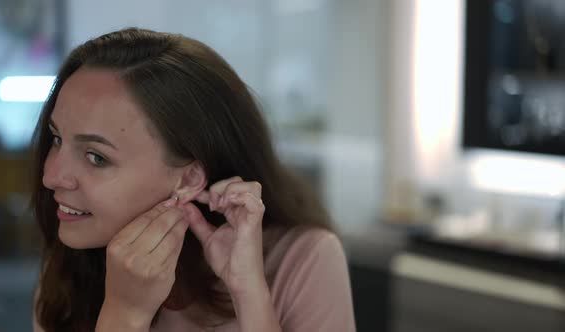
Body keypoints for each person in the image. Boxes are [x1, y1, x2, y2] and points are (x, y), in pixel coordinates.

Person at [31, 27, 355, 332]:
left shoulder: (304, 259)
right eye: (57, 139)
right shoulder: (70, 265)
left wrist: (249, 292)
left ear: (189, 178)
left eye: (96, 157)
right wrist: (123, 314)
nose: (51, 176)